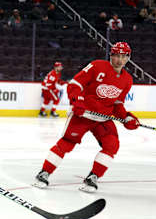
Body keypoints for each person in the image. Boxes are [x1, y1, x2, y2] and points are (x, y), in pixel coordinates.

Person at [33, 42, 139, 192]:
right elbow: (75, 84)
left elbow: (117, 105)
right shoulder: (97, 66)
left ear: (128, 58)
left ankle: (93, 177)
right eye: (116, 56)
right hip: (83, 114)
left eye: (123, 56)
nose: (119, 60)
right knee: (67, 142)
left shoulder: (127, 80)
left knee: (112, 145)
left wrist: (127, 118)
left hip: (102, 118)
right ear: (111, 55)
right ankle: (44, 173)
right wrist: (77, 101)